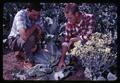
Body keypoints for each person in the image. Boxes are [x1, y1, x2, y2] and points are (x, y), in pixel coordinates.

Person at [57, 3, 95, 70]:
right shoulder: (69, 23)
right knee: (64, 43)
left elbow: (89, 36)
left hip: (91, 47)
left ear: (77, 14)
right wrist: (62, 60)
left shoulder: (89, 18)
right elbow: (66, 40)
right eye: (67, 18)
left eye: (70, 18)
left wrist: (73, 39)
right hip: (78, 47)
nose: (68, 20)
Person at [7, 3, 43, 69]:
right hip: (14, 40)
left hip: (27, 41)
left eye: (37, 15)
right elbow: (24, 36)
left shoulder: (38, 16)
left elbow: (39, 34)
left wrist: (38, 36)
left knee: (36, 47)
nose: (36, 17)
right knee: (30, 38)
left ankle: (20, 53)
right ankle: (28, 61)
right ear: (28, 11)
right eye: (34, 15)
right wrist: (35, 26)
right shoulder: (20, 15)